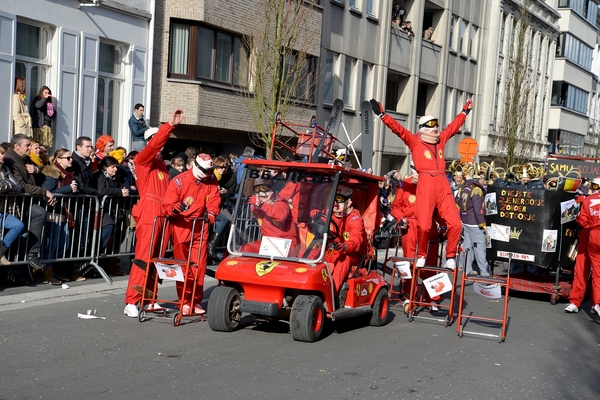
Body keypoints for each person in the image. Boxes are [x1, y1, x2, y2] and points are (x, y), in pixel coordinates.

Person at [370, 97, 473, 270]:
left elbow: (453, 127)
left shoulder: (440, 141)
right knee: (424, 226)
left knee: (456, 223)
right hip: (426, 182)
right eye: (431, 125)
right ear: (423, 127)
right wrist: (382, 114)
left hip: (442, 182)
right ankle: (422, 255)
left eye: (436, 125)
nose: (435, 129)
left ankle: (450, 255)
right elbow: (398, 130)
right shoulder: (415, 141)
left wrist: (464, 113)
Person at [124, 109, 185, 318]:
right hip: (150, 212)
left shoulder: (161, 166)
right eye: (158, 142)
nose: (162, 147)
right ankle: (132, 301)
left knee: (156, 259)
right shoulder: (142, 159)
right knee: (143, 258)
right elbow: (154, 145)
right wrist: (169, 126)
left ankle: (149, 299)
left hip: (162, 213)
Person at [162, 154, 220, 315]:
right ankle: (184, 301)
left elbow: (214, 198)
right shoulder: (179, 181)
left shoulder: (211, 179)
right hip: (182, 225)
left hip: (201, 225)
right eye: (207, 171)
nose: (209, 174)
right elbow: (167, 205)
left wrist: (213, 213)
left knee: (199, 266)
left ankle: (195, 300)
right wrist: (176, 209)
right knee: (183, 265)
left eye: (211, 171)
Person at [390, 171, 444, 310]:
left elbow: (441, 208)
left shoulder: (434, 185)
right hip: (410, 228)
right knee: (409, 263)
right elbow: (396, 207)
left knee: (430, 264)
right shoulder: (405, 184)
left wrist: (444, 224)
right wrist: (401, 218)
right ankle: (409, 296)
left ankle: (432, 298)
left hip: (429, 228)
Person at [3, 134, 54, 272]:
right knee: (37, 214)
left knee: (25, 232)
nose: (30, 148)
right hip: (15, 205)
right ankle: (30, 255)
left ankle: (29, 257)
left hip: (25, 202)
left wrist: (37, 170)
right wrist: (44, 192)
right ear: (16, 146)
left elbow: (41, 176)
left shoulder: (25, 158)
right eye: (27, 145)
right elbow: (21, 186)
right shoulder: (10, 161)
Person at [40, 148, 80, 284]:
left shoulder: (68, 174)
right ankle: (46, 272)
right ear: (58, 160)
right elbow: (47, 193)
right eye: (67, 158)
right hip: (53, 212)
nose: (71, 160)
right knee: (51, 244)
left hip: (63, 212)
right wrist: (68, 189)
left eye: (71, 158)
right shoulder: (52, 173)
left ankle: (47, 268)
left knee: (63, 244)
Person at [321, 185, 367, 298]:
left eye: (340, 200)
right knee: (310, 254)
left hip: (352, 254)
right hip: (332, 251)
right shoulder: (328, 213)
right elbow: (314, 213)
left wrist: (345, 246)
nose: (335, 203)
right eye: (334, 198)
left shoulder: (355, 219)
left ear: (349, 201)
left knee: (343, 260)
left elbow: (356, 240)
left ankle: (332, 293)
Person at [565, 177, 600, 315]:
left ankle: (595, 303)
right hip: (587, 235)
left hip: (591, 232)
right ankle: (575, 301)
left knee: (596, 272)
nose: (591, 188)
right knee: (581, 267)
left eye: (595, 186)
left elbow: (582, 219)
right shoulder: (588, 199)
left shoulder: (589, 199)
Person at [93, 156, 130, 276]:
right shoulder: (99, 176)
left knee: (118, 238)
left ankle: (112, 265)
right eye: (113, 167)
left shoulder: (116, 178)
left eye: (116, 167)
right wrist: (119, 192)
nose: (115, 169)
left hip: (117, 210)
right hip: (105, 211)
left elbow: (126, 187)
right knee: (109, 233)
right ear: (105, 167)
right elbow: (102, 190)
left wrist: (125, 190)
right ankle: (98, 260)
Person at [242, 177, 297, 255]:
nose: (260, 193)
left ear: (271, 191)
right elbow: (248, 193)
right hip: (269, 243)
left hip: (287, 243)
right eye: (257, 189)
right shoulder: (256, 207)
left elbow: (280, 216)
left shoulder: (281, 202)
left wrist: (262, 204)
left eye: (264, 188)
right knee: (245, 249)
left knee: (277, 255)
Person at [456, 173, 491, 277]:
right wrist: (482, 223)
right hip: (475, 222)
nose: (483, 180)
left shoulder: (465, 188)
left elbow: (457, 200)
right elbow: (477, 209)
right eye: (482, 178)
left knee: (468, 246)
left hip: (466, 221)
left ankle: (467, 269)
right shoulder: (476, 190)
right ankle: (484, 270)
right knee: (480, 247)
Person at [208, 156, 238, 261]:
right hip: (208, 205)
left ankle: (212, 246)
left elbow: (233, 189)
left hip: (222, 203)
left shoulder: (230, 175)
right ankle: (210, 246)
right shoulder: (210, 176)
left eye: (224, 167)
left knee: (226, 220)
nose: (222, 169)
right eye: (220, 167)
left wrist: (225, 192)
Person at [0, 146, 24, 266]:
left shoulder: (5, 169)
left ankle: (0, 252)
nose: (2, 156)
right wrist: (9, 185)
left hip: (1, 211)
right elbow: (11, 185)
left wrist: (3, 186)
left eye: (3, 153)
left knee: (18, 225)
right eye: (0, 154)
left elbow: (18, 187)